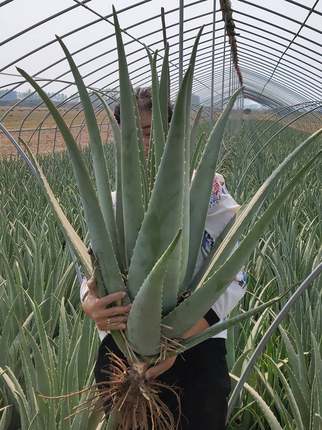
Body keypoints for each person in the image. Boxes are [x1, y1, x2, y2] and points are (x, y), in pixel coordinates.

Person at [80, 87, 247, 429]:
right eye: (131, 136)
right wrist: (90, 303)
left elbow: (234, 274)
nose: (142, 145)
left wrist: (175, 342)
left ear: (174, 139)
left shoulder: (206, 191)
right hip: (123, 354)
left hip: (196, 348)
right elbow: (89, 268)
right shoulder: (113, 203)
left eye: (149, 134)